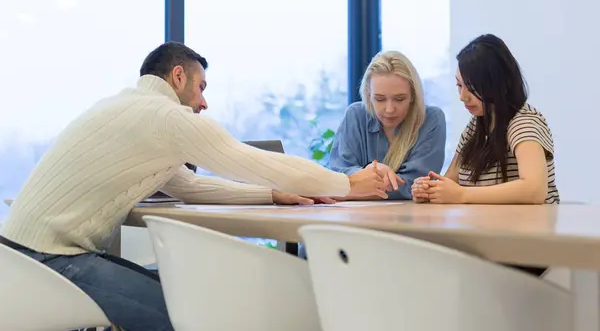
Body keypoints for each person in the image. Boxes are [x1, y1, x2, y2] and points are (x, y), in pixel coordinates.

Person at [0, 42, 390, 331]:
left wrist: (272, 195)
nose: (204, 103)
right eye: (202, 87)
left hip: (17, 259)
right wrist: (347, 184)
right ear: (178, 76)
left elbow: (188, 188)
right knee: (191, 314)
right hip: (48, 261)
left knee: (184, 301)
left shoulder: (123, 108)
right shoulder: (165, 117)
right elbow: (254, 162)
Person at [411, 34, 559, 276]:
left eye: (471, 87)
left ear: (497, 83)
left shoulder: (523, 122)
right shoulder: (476, 126)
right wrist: (429, 189)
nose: (462, 96)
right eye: (459, 85)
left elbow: (534, 190)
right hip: (483, 242)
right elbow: (450, 182)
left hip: (520, 247)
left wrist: (460, 195)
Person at [329, 50, 447, 200]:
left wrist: (361, 183)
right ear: (368, 93)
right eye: (379, 99)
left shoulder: (431, 119)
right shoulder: (355, 115)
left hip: (411, 219)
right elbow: (338, 175)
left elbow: (417, 185)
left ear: (413, 95)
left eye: (399, 99)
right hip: (356, 216)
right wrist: (373, 174)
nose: (389, 109)